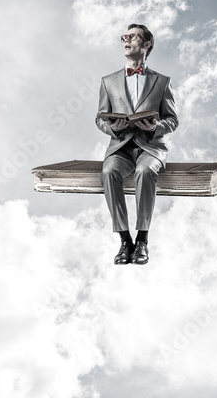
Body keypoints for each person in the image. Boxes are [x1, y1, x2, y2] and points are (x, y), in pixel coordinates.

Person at [95, 23, 179, 265]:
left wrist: (155, 127)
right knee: (109, 171)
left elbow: (172, 120)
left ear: (146, 44)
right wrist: (112, 127)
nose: (126, 40)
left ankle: (142, 239)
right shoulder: (107, 81)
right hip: (120, 147)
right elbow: (99, 118)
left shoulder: (162, 82)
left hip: (150, 147)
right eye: (125, 36)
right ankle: (124, 240)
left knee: (144, 171)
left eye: (132, 36)